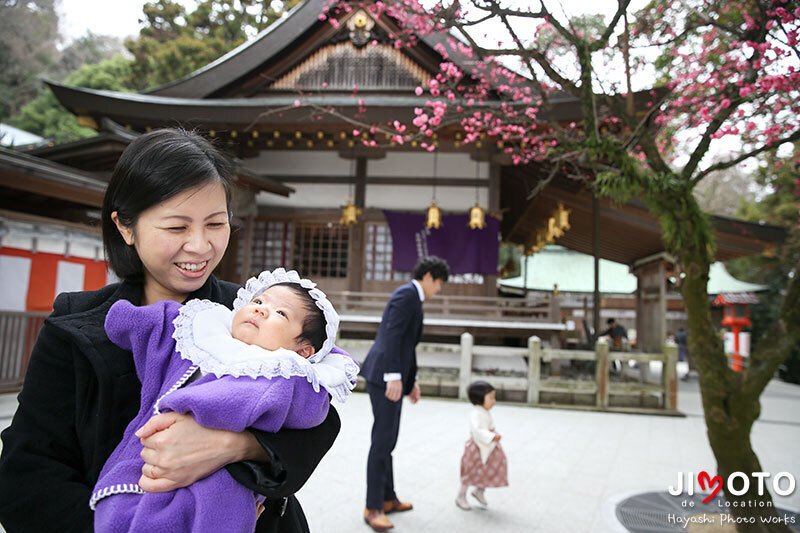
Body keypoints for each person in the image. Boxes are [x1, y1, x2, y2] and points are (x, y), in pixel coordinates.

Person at [0, 128, 343, 533]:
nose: (200, 246)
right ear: (126, 227)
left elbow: (317, 419)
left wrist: (234, 446)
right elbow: (26, 475)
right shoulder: (75, 325)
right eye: (177, 228)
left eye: (215, 223)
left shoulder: (249, 314)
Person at [92, 268, 359, 532]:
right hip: (148, 457)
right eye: (258, 301)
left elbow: (312, 412)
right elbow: (159, 325)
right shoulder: (204, 327)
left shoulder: (283, 372)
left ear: (303, 351)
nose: (261, 309)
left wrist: (234, 441)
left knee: (222, 494)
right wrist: (126, 317)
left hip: (220, 479)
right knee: (123, 512)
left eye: (281, 313)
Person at [359, 256, 450, 531]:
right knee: (382, 442)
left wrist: (411, 381)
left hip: (392, 376)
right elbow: (391, 335)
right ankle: (372, 507)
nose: (440, 289)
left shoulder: (413, 296)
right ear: (430, 277)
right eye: (440, 283)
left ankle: (388, 498)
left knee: (388, 441)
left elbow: (406, 345)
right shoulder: (407, 295)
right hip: (383, 377)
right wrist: (393, 377)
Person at [455, 381, 508, 510]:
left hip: (488, 447)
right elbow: (477, 430)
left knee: (487, 469)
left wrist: (492, 433)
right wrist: (490, 436)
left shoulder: (484, 411)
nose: (493, 401)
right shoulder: (476, 413)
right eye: (491, 398)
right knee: (471, 471)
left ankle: (479, 490)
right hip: (477, 448)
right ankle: (461, 495)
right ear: (479, 399)